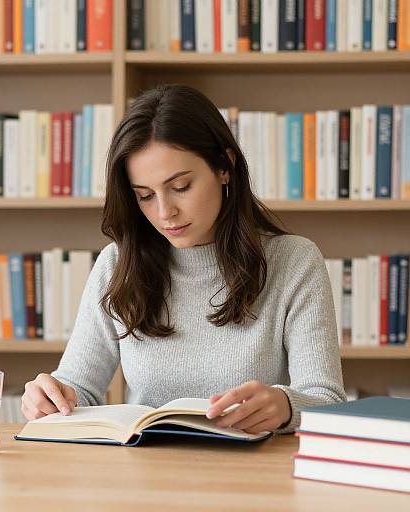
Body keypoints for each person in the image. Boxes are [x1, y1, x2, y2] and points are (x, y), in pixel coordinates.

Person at [21, 84, 346, 434]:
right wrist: (51, 396)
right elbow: (79, 387)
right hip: (146, 473)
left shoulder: (294, 262)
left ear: (224, 166)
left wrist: (284, 406)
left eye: (180, 187)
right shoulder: (118, 264)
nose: (165, 212)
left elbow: (326, 399)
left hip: (253, 476)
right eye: (145, 196)